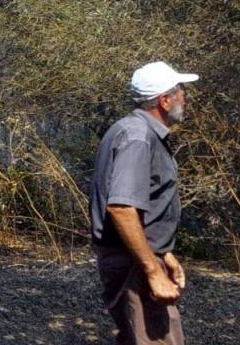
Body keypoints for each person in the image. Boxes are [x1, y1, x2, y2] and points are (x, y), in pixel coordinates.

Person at [90, 61, 198, 345]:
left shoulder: (138, 132)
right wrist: (152, 270)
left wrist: (165, 254)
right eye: (180, 90)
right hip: (133, 265)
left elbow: (143, 207)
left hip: (139, 258)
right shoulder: (138, 138)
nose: (185, 96)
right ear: (164, 100)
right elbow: (122, 208)